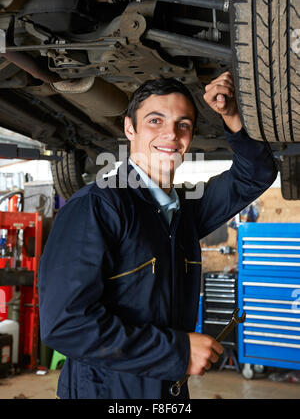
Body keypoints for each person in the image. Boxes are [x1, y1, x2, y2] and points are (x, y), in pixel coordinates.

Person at [38, 72, 277, 399]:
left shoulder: (186, 210)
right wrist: (176, 352)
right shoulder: (97, 207)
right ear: (129, 128)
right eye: (155, 120)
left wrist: (232, 115)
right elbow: (65, 325)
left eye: (183, 124)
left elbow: (256, 174)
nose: (171, 134)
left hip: (169, 390)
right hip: (106, 393)